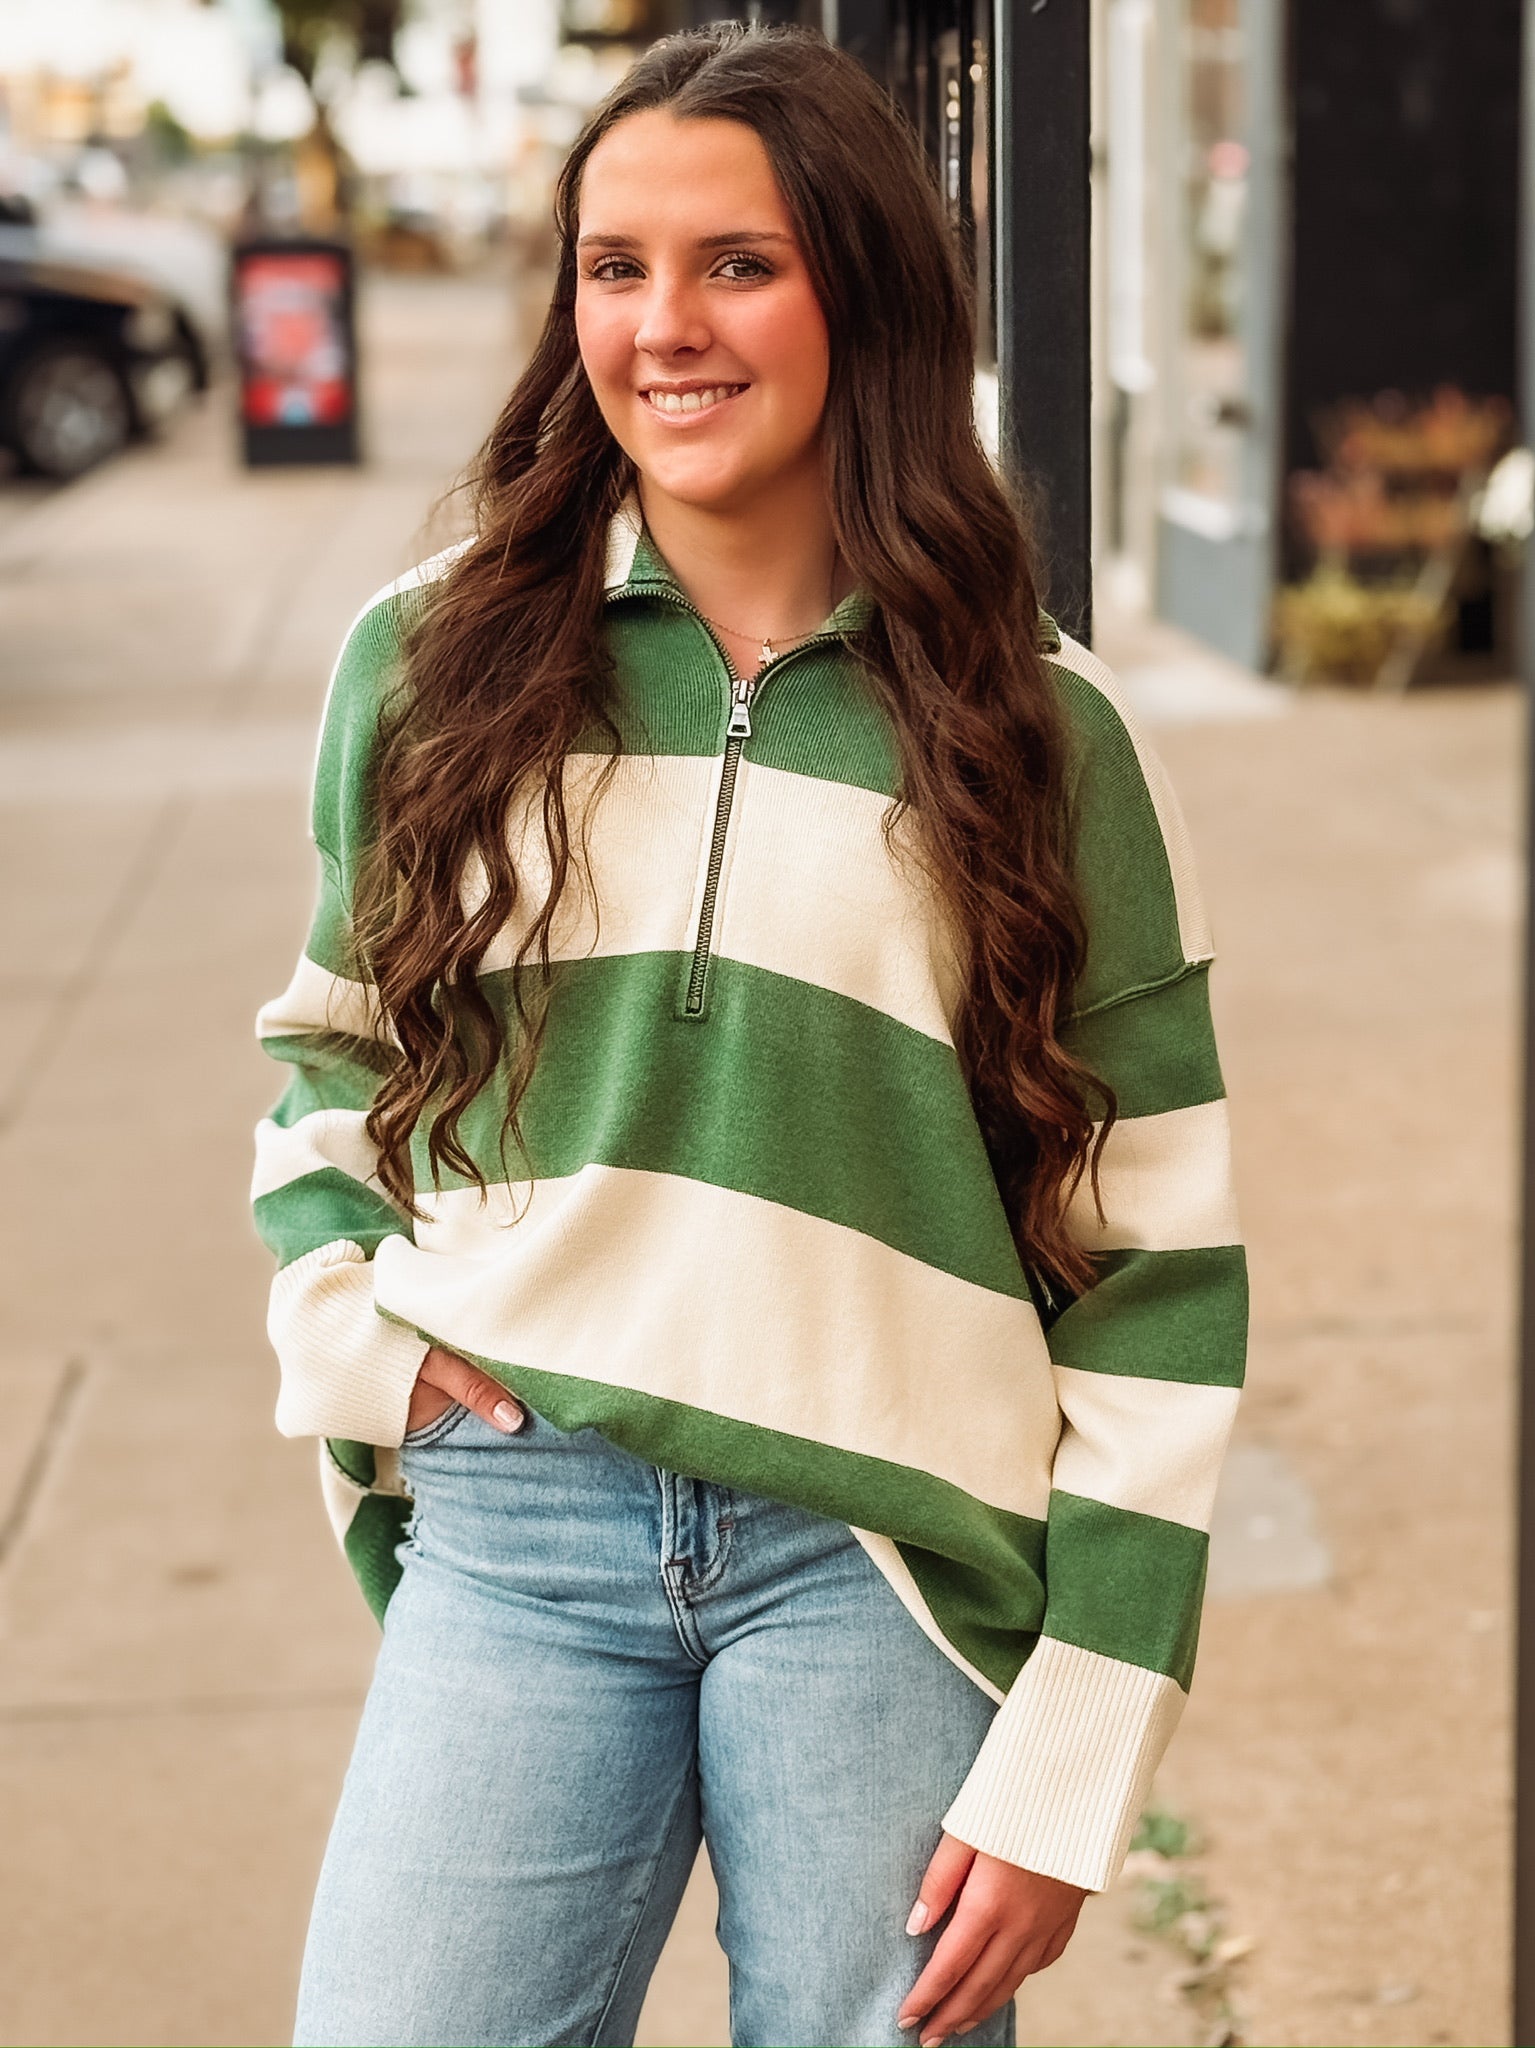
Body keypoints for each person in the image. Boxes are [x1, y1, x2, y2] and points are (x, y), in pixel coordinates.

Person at [251, 23, 1247, 2048]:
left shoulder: (1041, 730)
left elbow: (1156, 1258)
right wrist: (350, 1327)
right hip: (523, 1511)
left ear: (859, 298)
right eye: (616, 269)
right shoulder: (426, 663)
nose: (664, 328)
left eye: (737, 263)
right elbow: (327, 1054)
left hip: (883, 1548)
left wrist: (1082, 1742)